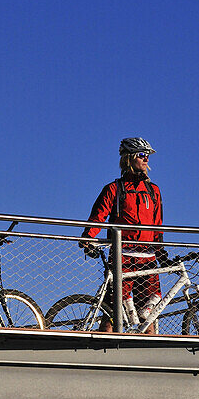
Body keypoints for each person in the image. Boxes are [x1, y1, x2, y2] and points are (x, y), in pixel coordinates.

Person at [80, 137, 164, 332]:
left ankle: (146, 358)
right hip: (121, 257)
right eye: (142, 155)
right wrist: (88, 238)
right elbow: (98, 217)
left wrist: (162, 254)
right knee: (111, 314)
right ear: (129, 158)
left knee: (148, 317)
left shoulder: (154, 191)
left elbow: (158, 226)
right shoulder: (113, 189)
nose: (146, 160)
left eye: (148, 156)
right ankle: (102, 355)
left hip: (147, 259)